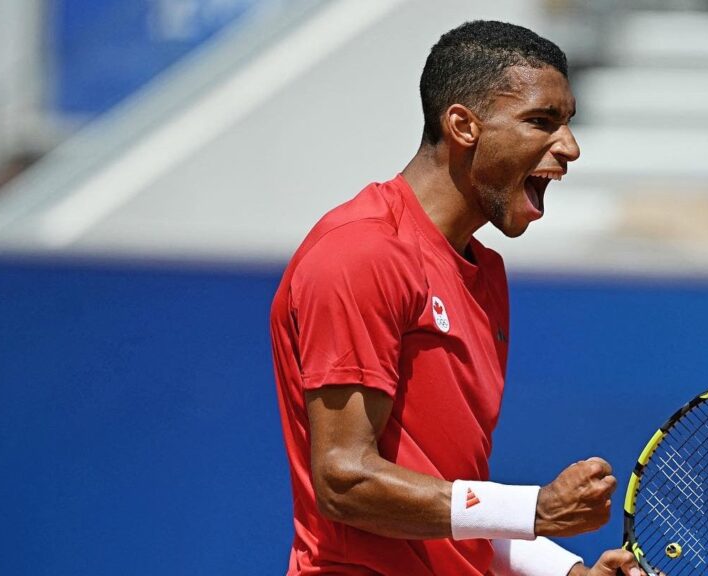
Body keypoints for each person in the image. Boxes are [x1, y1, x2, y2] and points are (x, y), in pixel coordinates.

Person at [269, 20, 642, 576]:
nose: (570, 148)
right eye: (542, 122)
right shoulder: (360, 254)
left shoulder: (485, 272)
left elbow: (452, 503)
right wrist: (536, 509)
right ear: (464, 125)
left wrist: (567, 572)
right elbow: (344, 480)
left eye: (567, 124)